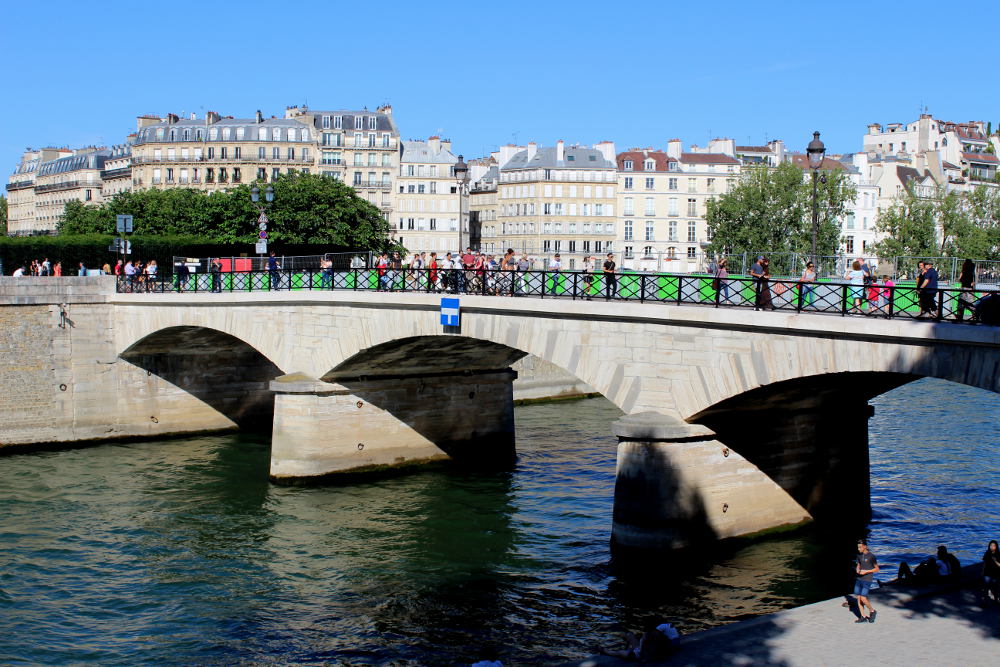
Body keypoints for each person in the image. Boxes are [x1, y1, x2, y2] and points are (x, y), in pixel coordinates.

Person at [600, 621, 680, 662]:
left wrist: (641, 657)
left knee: (619, 653)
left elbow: (646, 653)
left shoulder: (652, 637)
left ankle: (605, 650)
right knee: (630, 636)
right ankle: (606, 650)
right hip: (640, 651)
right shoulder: (658, 636)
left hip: (639, 654)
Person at [853, 539, 879, 623]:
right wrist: (857, 569)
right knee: (859, 598)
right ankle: (863, 616)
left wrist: (866, 571)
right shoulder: (859, 555)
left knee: (863, 598)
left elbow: (877, 569)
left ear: (865, 546)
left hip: (867, 579)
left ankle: (872, 611)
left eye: (860, 547)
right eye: (858, 547)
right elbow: (859, 564)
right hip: (859, 578)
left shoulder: (871, 556)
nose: (858, 549)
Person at [982, 540, 1000, 604]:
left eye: (994, 546)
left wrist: (995, 561)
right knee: (985, 587)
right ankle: (984, 601)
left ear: (996, 546)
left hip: (995, 573)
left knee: (995, 587)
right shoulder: (987, 553)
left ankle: (996, 599)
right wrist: (983, 572)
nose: (992, 547)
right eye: (991, 545)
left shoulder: (998, 554)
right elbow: (984, 563)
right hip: (987, 573)